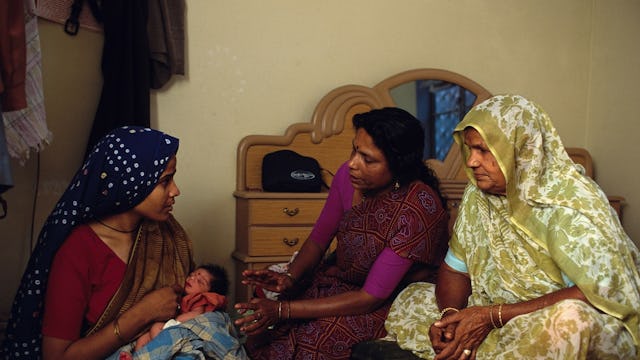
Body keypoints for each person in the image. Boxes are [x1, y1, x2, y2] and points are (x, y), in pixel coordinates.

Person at [385, 94, 640, 359]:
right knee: (413, 297)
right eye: (470, 149)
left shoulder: (573, 202)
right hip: (498, 310)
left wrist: (492, 316)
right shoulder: (477, 196)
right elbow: (454, 271)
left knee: (569, 323)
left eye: (483, 150)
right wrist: (450, 318)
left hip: (558, 313)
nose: (471, 161)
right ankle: (464, 341)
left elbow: (595, 294)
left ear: (520, 151)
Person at [234, 107, 450, 359]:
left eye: (368, 160)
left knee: (313, 339)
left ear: (399, 166)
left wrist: (283, 309)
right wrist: (290, 278)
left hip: (393, 298)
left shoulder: (417, 206)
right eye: (354, 150)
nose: (352, 164)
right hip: (347, 283)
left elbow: (370, 297)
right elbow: (318, 241)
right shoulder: (346, 179)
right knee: (265, 324)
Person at [2, 126, 195, 360]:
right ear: (130, 182)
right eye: (165, 181)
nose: (176, 190)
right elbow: (57, 356)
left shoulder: (166, 235)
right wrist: (142, 314)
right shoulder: (79, 251)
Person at [133, 263, 230, 351]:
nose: (192, 279)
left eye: (200, 281)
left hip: (181, 327)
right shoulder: (183, 295)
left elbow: (197, 313)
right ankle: (140, 355)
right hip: (172, 325)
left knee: (156, 327)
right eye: (192, 275)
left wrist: (178, 319)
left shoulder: (199, 298)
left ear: (209, 293)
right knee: (142, 338)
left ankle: (160, 352)